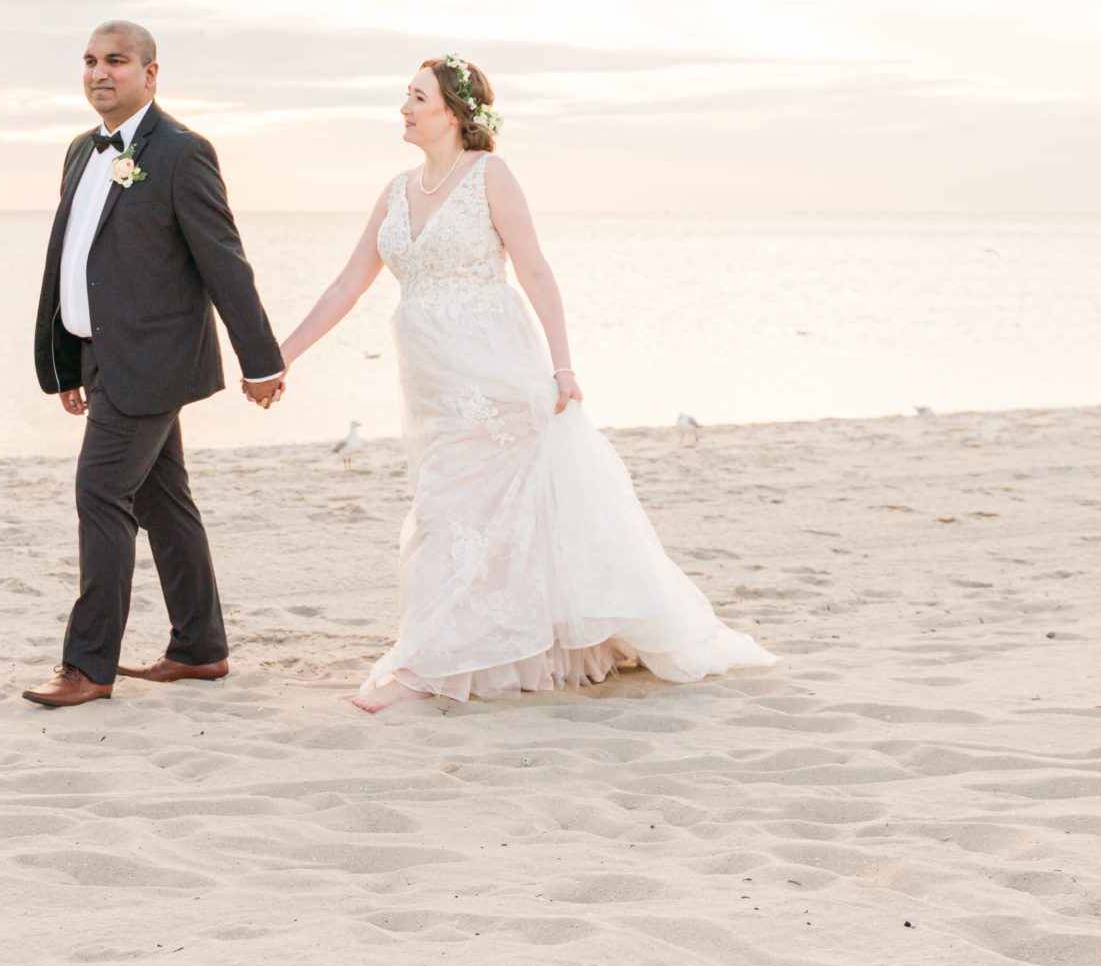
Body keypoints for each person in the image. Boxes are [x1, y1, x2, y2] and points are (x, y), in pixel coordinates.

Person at [279, 52, 776, 710]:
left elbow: (536, 271)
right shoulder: (396, 191)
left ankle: (426, 666)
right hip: (432, 386)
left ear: (453, 113)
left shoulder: (491, 175)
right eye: (406, 95)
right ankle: (513, 644)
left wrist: (563, 366)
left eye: (417, 97)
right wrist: (281, 353)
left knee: (453, 514)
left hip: (498, 374)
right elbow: (348, 283)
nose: (403, 107)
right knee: (449, 508)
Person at [22, 20, 286, 708]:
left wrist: (260, 360)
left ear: (150, 72)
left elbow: (223, 261)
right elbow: (79, 262)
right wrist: (70, 360)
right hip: (103, 355)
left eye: (115, 60)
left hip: (154, 359)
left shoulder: (181, 153)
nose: (99, 72)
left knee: (99, 491)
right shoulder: (81, 151)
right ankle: (200, 648)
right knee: (162, 499)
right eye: (88, 61)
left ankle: (87, 667)